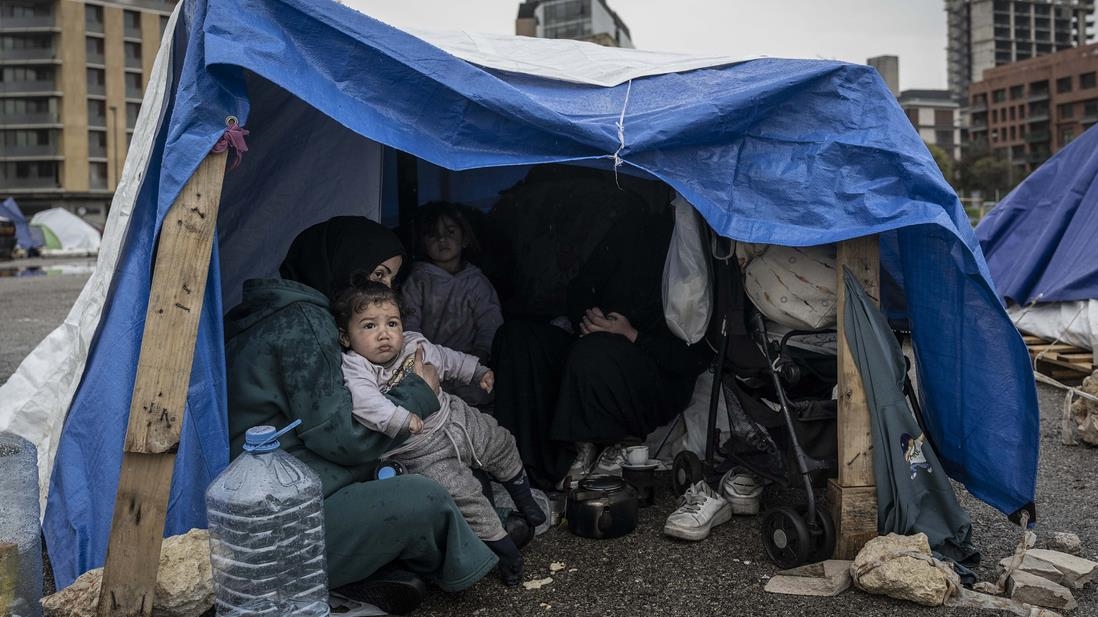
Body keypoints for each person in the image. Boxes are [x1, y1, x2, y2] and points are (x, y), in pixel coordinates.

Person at [224, 216, 497, 614]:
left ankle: (390, 570)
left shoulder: (278, 308)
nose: (383, 290)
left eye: (390, 279)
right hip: (284, 516)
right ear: (344, 265)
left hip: (274, 495)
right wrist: (420, 392)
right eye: (378, 274)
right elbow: (343, 439)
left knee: (417, 471)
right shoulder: (305, 323)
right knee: (424, 493)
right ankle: (480, 556)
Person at [334, 281, 545, 586]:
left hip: (455, 417)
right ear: (345, 336)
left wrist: (477, 371)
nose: (384, 334)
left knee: (501, 442)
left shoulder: (412, 345)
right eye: (369, 326)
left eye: (392, 323)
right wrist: (400, 417)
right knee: (466, 497)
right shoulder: (356, 367)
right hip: (418, 451)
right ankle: (508, 554)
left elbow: (447, 359)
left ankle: (526, 502)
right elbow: (366, 403)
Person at [491, 210, 711, 490]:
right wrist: (588, 319)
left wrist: (631, 334)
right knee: (517, 337)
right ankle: (515, 462)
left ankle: (591, 445)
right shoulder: (632, 230)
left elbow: (691, 356)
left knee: (593, 352)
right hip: (592, 348)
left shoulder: (698, 252)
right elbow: (581, 288)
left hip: (652, 372)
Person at [401, 202, 503, 362]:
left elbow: (490, 323)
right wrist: (421, 355)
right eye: (433, 234)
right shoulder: (418, 280)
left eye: (450, 232)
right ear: (423, 243)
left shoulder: (476, 282)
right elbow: (409, 324)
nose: (442, 239)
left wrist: (482, 354)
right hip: (429, 363)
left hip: (470, 364)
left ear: (465, 239)